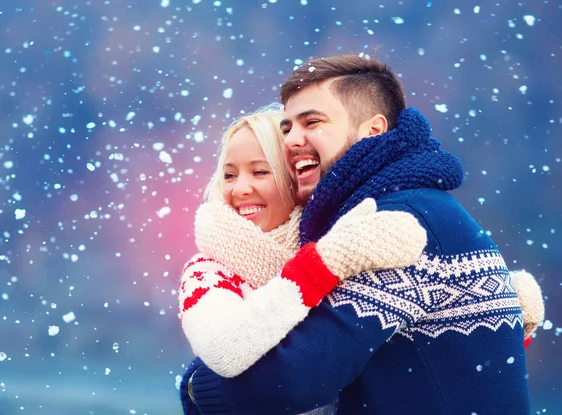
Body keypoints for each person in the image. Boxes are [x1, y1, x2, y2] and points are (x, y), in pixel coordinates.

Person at [180, 55, 545, 415]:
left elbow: (297, 379)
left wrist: (199, 387)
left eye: (313, 122)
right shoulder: (419, 207)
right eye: (288, 127)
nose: (292, 140)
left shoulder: (394, 226)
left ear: (373, 130)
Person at [178, 105, 428, 414]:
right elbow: (224, 349)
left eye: (260, 171)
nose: (240, 188)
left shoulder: (339, 238)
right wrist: (322, 264)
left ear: (294, 180)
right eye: (229, 175)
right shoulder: (207, 271)